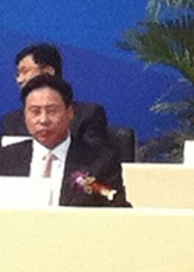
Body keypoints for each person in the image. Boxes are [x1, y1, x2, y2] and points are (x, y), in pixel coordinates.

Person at [0, 74, 129, 206]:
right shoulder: (5, 159)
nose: (43, 120)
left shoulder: (101, 161)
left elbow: (117, 210)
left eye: (52, 111)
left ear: (70, 112)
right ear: (25, 115)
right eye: (35, 112)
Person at [2, 43, 110, 142]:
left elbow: (96, 154)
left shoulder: (88, 115)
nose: (19, 80)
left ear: (48, 72)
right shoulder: (10, 121)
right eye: (18, 74)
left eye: (25, 72)